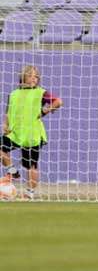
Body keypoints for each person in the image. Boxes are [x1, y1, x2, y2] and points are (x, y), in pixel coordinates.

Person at [2, 65, 63, 200]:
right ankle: (12, 170)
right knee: (1, 149)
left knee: (31, 165)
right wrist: (5, 125)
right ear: (23, 76)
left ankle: (29, 193)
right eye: (30, 75)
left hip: (32, 135)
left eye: (36, 76)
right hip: (15, 133)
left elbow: (58, 101)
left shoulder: (41, 92)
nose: (34, 78)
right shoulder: (13, 94)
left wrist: (44, 111)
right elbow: (7, 113)